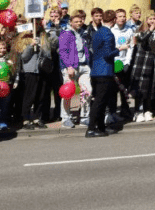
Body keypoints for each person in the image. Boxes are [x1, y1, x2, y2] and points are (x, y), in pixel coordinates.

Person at [16, 22, 55, 130]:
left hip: (41, 71)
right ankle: (26, 119)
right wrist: (31, 46)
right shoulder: (24, 40)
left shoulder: (42, 39)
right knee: (29, 96)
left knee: (40, 96)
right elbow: (24, 57)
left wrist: (42, 47)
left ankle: (38, 118)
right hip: (30, 71)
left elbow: (48, 55)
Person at [87, 10, 118, 138]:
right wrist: (119, 49)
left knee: (100, 100)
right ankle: (91, 128)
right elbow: (107, 54)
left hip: (96, 70)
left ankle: (100, 127)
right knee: (99, 101)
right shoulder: (108, 34)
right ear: (114, 20)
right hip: (104, 71)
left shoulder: (98, 32)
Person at [57, 11, 92, 128]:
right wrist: (69, 66)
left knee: (88, 91)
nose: (79, 23)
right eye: (76, 21)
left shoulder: (83, 33)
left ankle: (84, 116)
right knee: (68, 93)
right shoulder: (65, 33)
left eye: (80, 21)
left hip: (84, 66)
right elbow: (62, 52)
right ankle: (66, 118)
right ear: (71, 22)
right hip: (71, 67)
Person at [129, 12, 155, 122]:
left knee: (150, 87)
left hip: (153, 63)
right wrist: (151, 29)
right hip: (142, 63)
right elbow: (143, 40)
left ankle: (147, 110)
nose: (152, 21)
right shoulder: (140, 31)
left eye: (154, 19)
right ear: (146, 20)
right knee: (140, 87)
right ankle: (138, 111)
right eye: (150, 19)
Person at [110, 8, 135, 123]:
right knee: (114, 89)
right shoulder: (111, 31)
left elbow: (131, 47)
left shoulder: (129, 30)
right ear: (115, 18)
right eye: (119, 16)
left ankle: (125, 110)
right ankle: (113, 111)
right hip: (114, 63)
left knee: (124, 88)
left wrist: (127, 62)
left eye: (124, 16)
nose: (122, 18)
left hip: (124, 63)